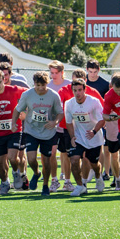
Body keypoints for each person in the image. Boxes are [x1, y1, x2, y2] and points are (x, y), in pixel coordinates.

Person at [11, 71, 62, 195]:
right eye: (37, 85)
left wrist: (55, 122)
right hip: (31, 131)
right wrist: (13, 123)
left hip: (48, 132)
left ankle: (45, 185)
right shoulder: (27, 95)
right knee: (31, 158)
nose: (40, 88)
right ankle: (36, 173)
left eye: (42, 85)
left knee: (46, 160)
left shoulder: (54, 95)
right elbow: (17, 110)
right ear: (34, 83)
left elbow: (60, 112)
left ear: (47, 83)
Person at [64, 78, 106, 196]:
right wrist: (72, 136)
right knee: (74, 160)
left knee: (94, 164)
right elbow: (68, 122)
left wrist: (94, 131)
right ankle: (80, 185)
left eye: (80, 90)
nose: (78, 93)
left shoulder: (94, 102)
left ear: (85, 90)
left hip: (94, 137)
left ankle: (98, 177)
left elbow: (102, 119)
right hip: (79, 137)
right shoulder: (69, 104)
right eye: (75, 90)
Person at [47, 60, 73, 192]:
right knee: (51, 153)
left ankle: (67, 181)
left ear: (62, 72)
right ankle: (54, 180)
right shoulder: (48, 86)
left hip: (66, 125)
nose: (54, 75)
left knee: (66, 154)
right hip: (52, 125)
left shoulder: (69, 85)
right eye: (51, 73)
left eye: (56, 72)